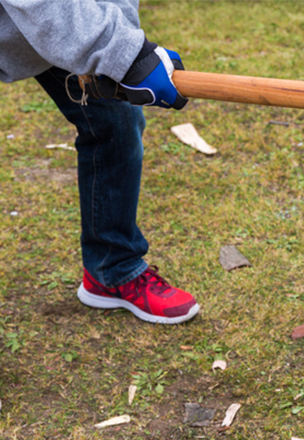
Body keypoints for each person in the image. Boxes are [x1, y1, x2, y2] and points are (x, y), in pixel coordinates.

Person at [0, 0, 200, 324]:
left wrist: (122, 48)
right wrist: (125, 54)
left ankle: (112, 271)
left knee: (115, 120)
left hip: (60, 19)